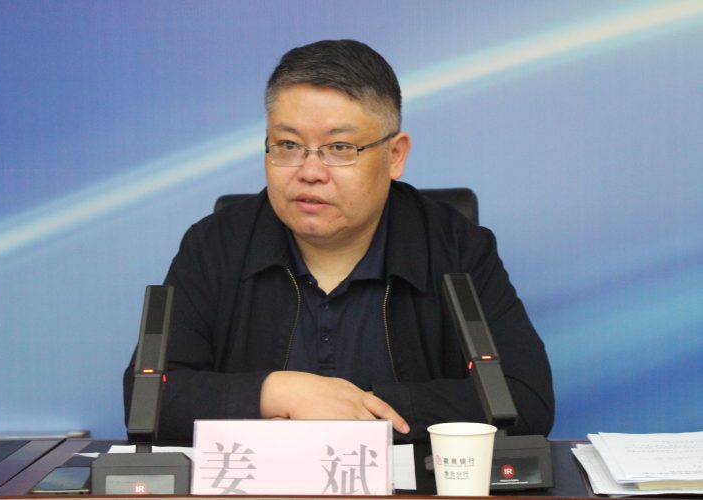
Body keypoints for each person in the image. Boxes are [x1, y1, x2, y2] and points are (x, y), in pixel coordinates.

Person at [123, 39, 554, 444]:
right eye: (288, 145)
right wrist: (279, 392)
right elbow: (148, 397)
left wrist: (358, 410)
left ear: (395, 155)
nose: (310, 171)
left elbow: (524, 399)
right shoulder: (217, 244)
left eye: (340, 147)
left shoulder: (455, 247)